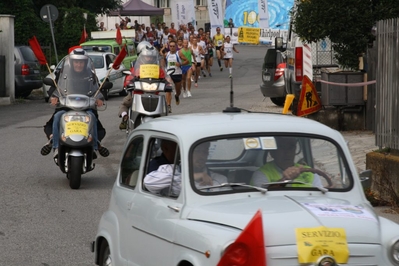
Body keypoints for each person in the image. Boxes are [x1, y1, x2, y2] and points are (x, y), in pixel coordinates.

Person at [40, 49, 109, 160]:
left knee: (92, 117)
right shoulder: (63, 74)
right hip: (66, 107)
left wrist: (99, 98)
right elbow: (56, 88)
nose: (79, 64)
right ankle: (56, 146)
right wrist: (54, 97)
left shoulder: (91, 75)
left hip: (86, 108)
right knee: (57, 116)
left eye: (81, 62)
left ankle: (95, 147)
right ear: (71, 63)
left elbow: (97, 89)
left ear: (85, 63)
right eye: (76, 62)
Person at [144, 141, 228, 195]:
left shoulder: (219, 179)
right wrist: (190, 176)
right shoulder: (168, 170)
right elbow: (149, 183)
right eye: (197, 151)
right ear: (186, 152)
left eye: (205, 151)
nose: (201, 156)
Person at [118, 44, 167, 129]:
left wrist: (168, 84)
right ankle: (125, 117)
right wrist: (129, 83)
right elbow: (130, 77)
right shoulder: (137, 67)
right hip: (138, 92)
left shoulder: (158, 69)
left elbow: (164, 78)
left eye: (151, 57)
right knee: (126, 102)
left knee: (165, 104)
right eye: (147, 57)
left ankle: (164, 124)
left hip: (155, 93)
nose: (149, 59)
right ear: (142, 57)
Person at [251, 137, 323, 188]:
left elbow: (319, 198)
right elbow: (262, 198)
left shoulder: (310, 172)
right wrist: (284, 180)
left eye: (291, 147)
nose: (287, 153)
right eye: (282, 147)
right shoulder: (262, 173)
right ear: (272, 152)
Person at [165, 40, 187, 108]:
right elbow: (162, 61)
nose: (172, 48)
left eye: (173, 46)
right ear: (169, 47)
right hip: (169, 74)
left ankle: (177, 96)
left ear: (176, 47)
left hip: (177, 74)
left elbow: (187, 61)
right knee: (168, 89)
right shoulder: (167, 54)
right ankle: (168, 105)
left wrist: (180, 64)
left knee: (178, 91)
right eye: (170, 46)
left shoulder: (179, 53)